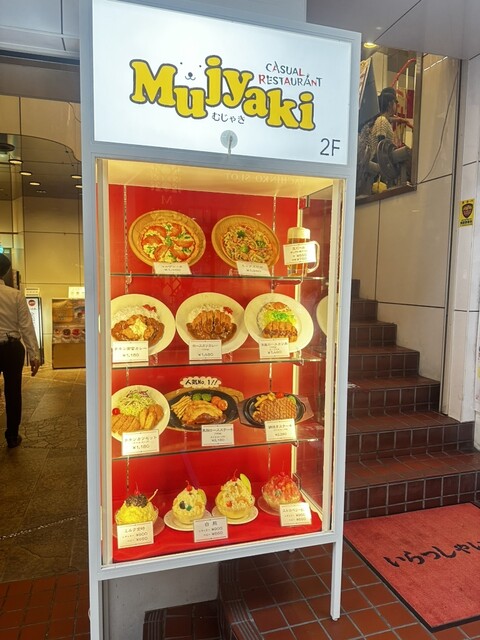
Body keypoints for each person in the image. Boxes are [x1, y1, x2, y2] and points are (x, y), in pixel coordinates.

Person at [0, 253, 40, 448]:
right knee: (13, 392)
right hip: (12, 348)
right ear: (6, 271)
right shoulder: (14, 295)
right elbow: (26, 326)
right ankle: (12, 436)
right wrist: (35, 355)